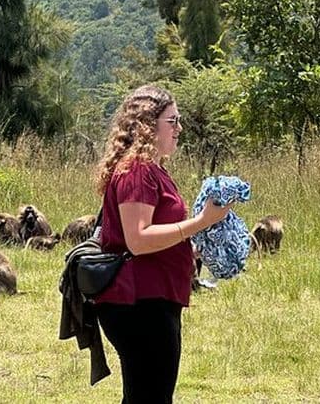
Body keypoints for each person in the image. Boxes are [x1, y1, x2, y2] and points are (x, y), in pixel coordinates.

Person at [92, 84, 232, 403]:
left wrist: (193, 245)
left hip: (152, 300)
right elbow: (138, 240)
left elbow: (158, 233)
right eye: (173, 120)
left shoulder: (153, 170)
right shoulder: (137, 172)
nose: (179, 128)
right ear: (147, 125)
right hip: (139, 303)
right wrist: (200, 222)